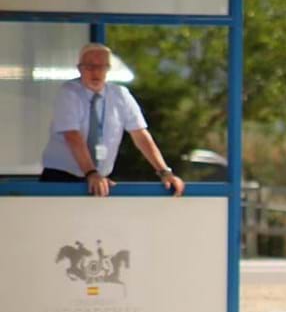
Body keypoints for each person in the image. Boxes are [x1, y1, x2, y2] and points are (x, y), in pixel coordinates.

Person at [40, 43, 185, 198]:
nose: (95, 72)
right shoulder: (69, 92)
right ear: (80, 68)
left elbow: (141, 135)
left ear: (108, 69)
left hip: (99, 180)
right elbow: (72, 136)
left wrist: (164, 171)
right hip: (62, 177)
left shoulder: (120, 95)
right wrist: (91, 172)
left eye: (101, 66)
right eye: (89, 66)